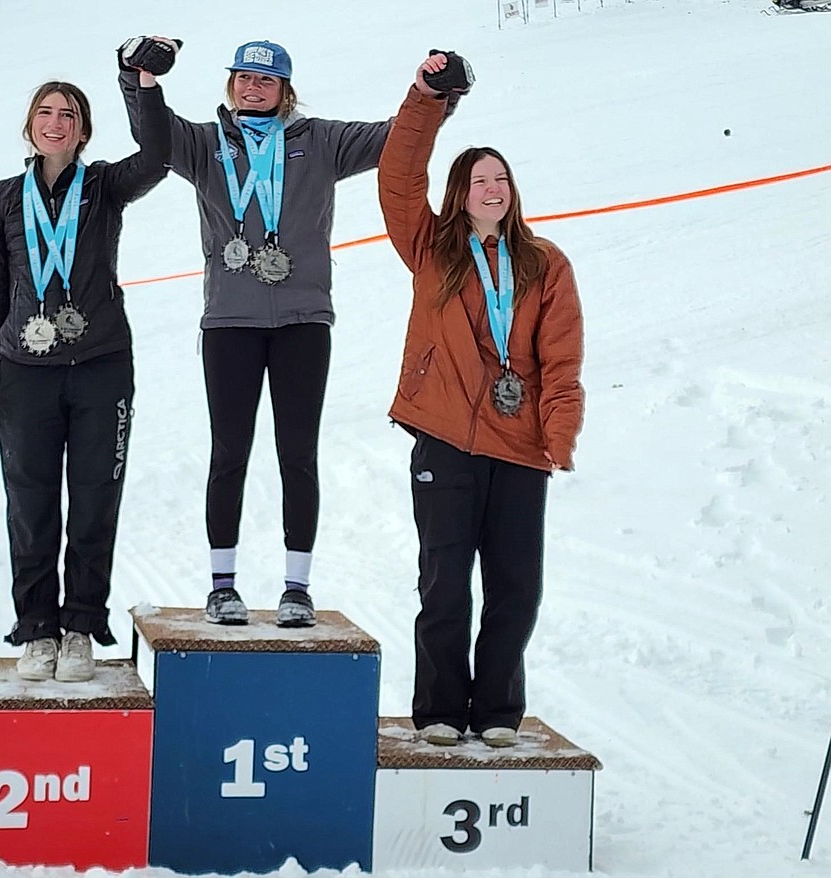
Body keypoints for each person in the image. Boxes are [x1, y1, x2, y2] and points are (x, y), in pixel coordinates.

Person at [117, 37, 392, 627]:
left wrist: (433, 93)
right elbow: (152, 132)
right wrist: (138, 74)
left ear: (285, 90)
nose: (252, 87)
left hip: (303, 322)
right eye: (243, 77)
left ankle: (297, 587)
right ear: (230, 84)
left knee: (298, 453)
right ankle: (222, 586)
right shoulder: (204, 143)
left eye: (266, 81)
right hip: (230, 323)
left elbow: (396, 137)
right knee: (229, 452)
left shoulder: (320, 140)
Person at [378, 52, 585, 747]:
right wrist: (425, 100)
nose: (492, 188)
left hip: (521, 444)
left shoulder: (545, 262)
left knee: (516, 588)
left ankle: (497, 711)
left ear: (512, 191)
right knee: (444, 585)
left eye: (500, 179)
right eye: (478, 179)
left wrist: (559, 432)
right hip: (445, 437)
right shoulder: (433, 250)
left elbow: (561, 359)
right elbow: (398, 175)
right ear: (460, 193)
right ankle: (438, 709)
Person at [0, 69, 170, 683]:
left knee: (96, 500)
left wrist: (143, 85)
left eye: (69, 115)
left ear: (82, 132)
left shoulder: (104, 186)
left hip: (102, 366)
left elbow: (158, 155)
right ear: (30, 126)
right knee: (30, 505)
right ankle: (37, 630)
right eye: (46, 113)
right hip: (25, 373)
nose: (56, 123)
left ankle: (79, 628)